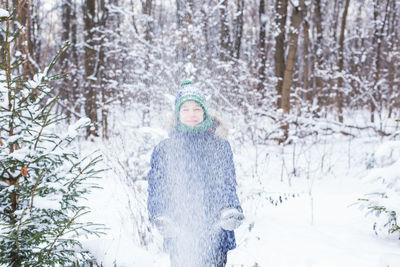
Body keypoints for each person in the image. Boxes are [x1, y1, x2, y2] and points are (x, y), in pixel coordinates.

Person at [147, 80, 244, 267]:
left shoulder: (219, 146)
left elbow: (227, 183)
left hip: (215, 230)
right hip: (180, 231)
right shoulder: (165, 149)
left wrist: (230, 209)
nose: (192, 114)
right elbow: (157, 187)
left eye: (197, 109)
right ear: (177, 114)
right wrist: (161, 215)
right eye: (185, 109)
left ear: (205, 112)